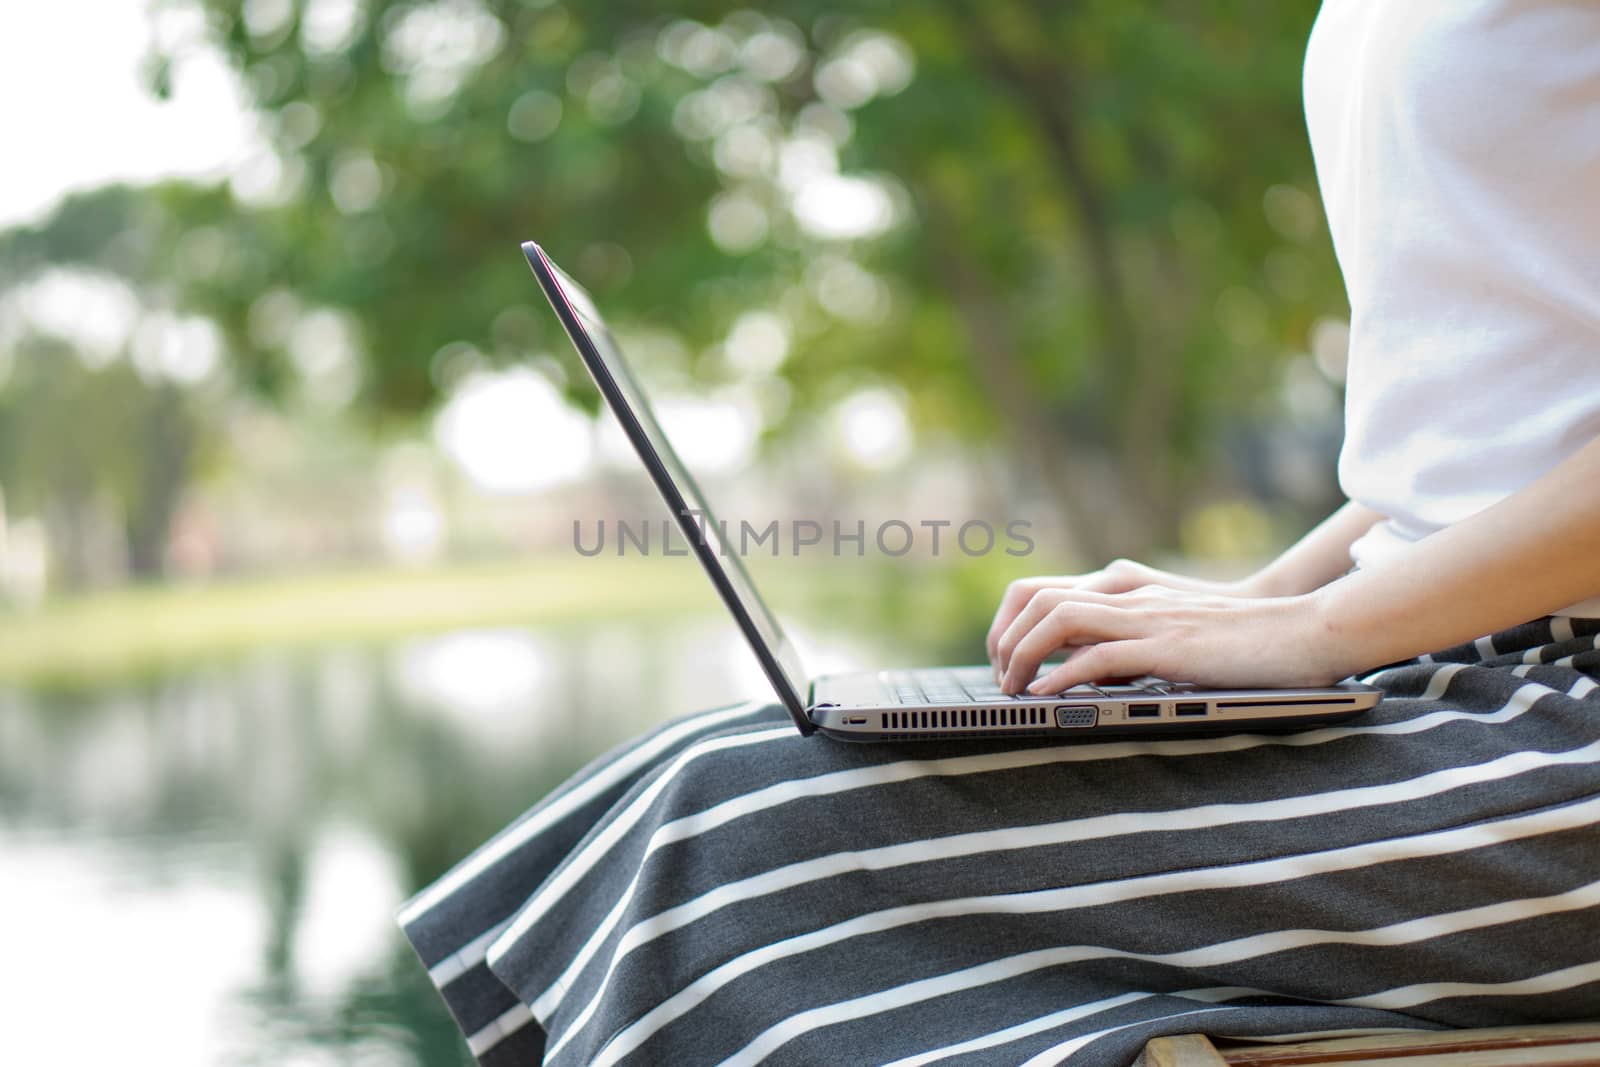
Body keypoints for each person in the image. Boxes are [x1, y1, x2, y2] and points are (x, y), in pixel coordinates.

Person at [399, 2, 1600, 1063]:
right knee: (693, 769)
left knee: (751, 844)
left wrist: (1318, 629)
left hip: (1561, 728)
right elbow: (1489, 416)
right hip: (1432, 671)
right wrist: (1256, 601)